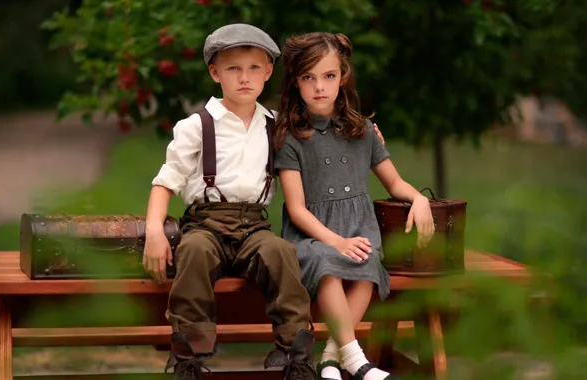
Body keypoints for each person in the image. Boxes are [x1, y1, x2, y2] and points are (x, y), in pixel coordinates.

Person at [143, 23, 316, 380]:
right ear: (215, 72)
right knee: (193, 252)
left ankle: (295, 355)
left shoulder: (276, 125)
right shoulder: (197, 125)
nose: (244, 78)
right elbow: (166, 182)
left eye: (254, 68)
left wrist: (361, 131)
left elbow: (321, 140)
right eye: (233, 68)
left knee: (280, 252)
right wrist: (154, 232)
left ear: (268, 72)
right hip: (205, 223)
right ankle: (189, 358)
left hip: (254, 225)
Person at [274, 32, 435, 380]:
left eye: (329, 76)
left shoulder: (362, 131)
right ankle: (358, 363)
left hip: (359, 226)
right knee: (328, 263)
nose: (320, 86)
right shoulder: (290, 137)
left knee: (366, 261)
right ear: (295, 83)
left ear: (342, 77)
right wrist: (335, 241)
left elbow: (394, 183)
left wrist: (419, 198)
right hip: (312, 233)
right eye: (308, 77)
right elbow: (297, 209)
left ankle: (331, 358)